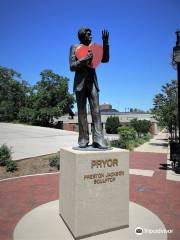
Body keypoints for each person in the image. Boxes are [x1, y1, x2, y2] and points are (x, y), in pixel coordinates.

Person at [69, 27, 109, 149]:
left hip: (92, 83)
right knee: (81, 112)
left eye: (91, 34)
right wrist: (84, 59)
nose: (91, 36)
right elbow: (72, 66)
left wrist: (105, 43)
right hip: (80, 84)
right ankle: (83, 139)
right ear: (82, 36)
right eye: (88, 34)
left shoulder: (94, 47)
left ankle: (98, 139)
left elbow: (105, 59)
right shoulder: (74, 48)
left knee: (96, 111)